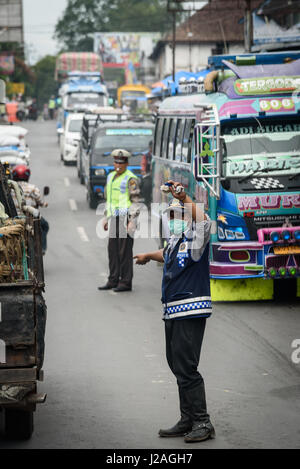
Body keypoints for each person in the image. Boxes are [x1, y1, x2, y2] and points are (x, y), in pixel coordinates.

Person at [134, 180, 215, 443]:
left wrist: (184, 198)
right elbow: (166, 252)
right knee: (177, 366)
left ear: (186, 216)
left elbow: (205, 223)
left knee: (187, 367)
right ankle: (188, 418)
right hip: (172, 311)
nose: (173, 219)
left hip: (189, 310)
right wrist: (147, 254)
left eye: (177, 214)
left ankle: (203, 421)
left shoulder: (196, 237)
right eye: (170, 215)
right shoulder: (175, 240)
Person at [98, 149, 140, 292]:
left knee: (124, 251)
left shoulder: (131, 179)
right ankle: (113, 279)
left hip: (126, 218)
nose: (118, 165)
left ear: (127, 163)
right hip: (114, 218)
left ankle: (126, 282)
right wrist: (105, 218)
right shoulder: (110, 177)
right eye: (116, 161)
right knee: (113, 250)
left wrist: (132, 221)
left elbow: (135, 201)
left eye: (121, 163)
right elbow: (109, 199)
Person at [12, 165, 49, 255]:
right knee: (44, 226)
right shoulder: (32, 188)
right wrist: (44, 204)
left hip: (13, 219)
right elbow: (40, 201)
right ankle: (42, 248)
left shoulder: (10, 188)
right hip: (30, 218)